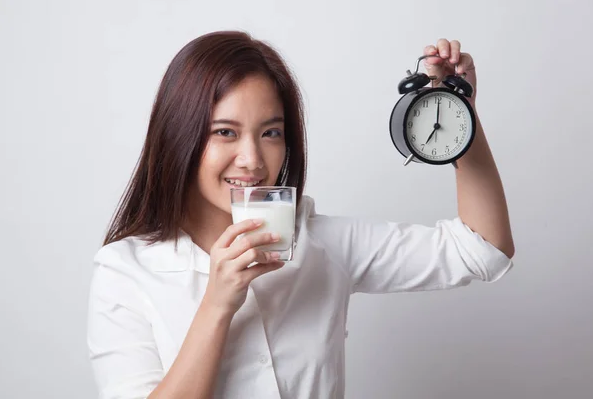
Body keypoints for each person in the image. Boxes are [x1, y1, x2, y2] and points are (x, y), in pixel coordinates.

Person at [87, 30, 515, 399]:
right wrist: (218, 303)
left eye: (271, 132)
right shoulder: (124, 271)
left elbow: (483, 250)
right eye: (225, 132)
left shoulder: (322, 244)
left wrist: (459, 112)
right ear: (179, 136)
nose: (252, 159)